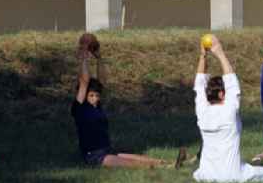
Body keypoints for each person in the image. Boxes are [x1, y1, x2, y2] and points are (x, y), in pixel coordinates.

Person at [71, 38, 182, 169]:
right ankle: (167, 168)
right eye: (91, 95)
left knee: (136, 157)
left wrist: (99, 57)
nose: (95, 98)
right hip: (94, 156)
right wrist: (84, 57)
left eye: (97, 95)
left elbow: (102, 81)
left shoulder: (96, 105)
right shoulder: (80, 108)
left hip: (107, 150)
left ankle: (171, 163)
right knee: (134, 164)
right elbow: (84, 81)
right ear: (83, 95)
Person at [192, 34, 263, 183]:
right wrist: (219, 52)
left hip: (206, 176)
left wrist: (203, 55)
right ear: (222, 94)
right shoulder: (229, 110)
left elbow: (199, 84)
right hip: (235, 176)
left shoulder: (201, 111)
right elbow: (232, 83)